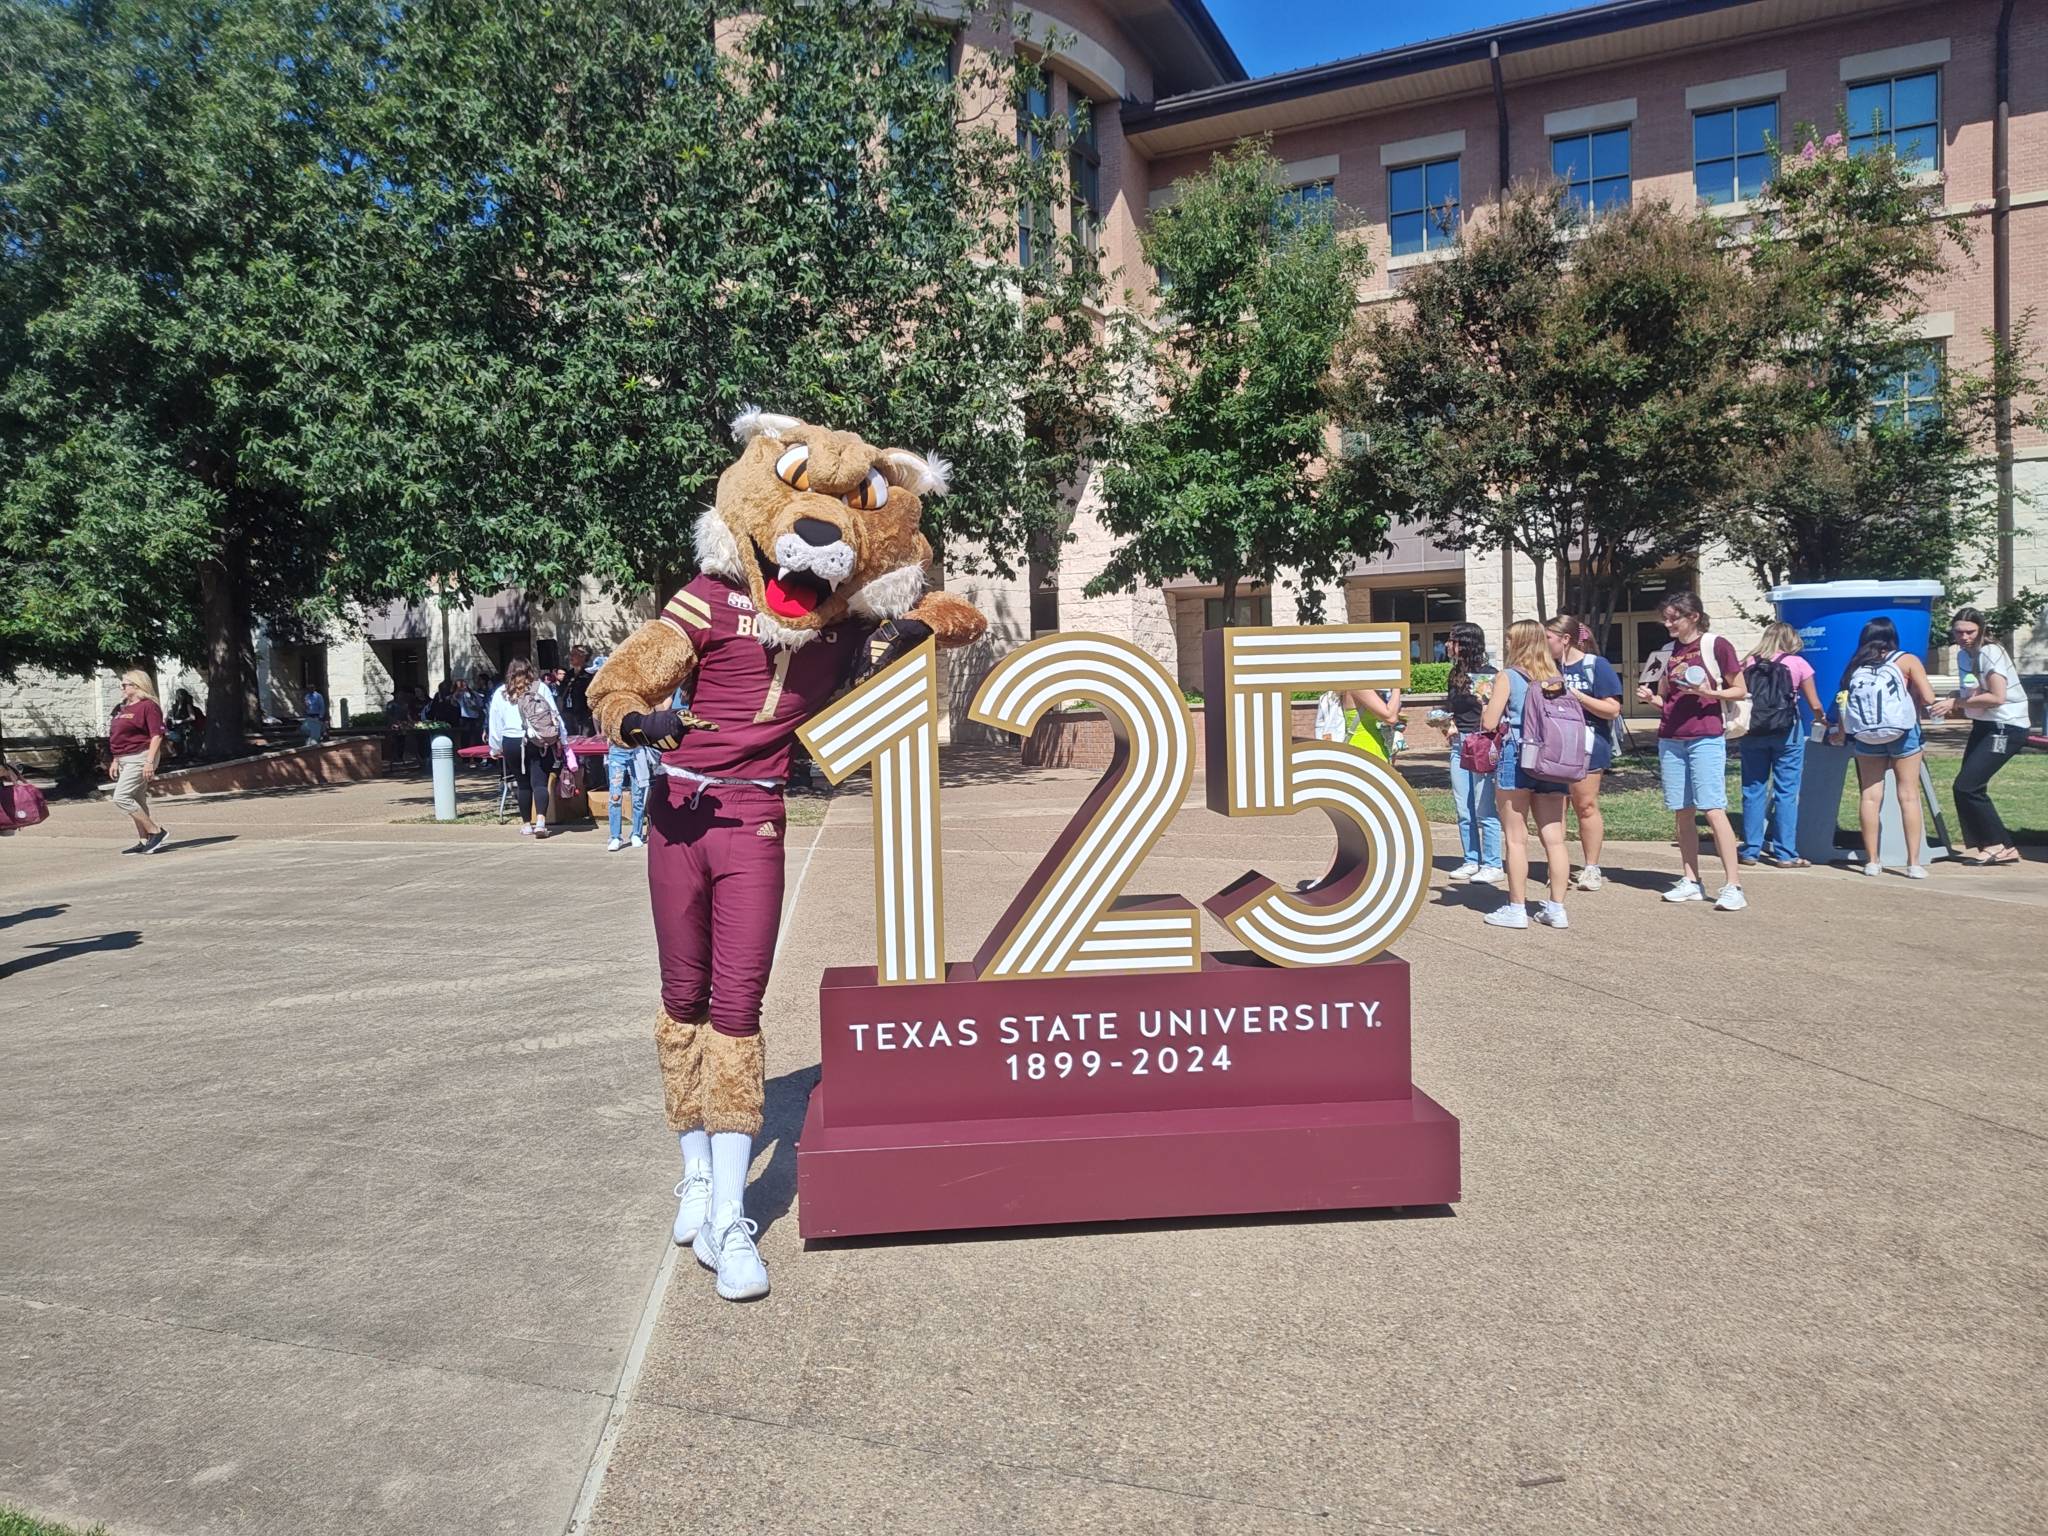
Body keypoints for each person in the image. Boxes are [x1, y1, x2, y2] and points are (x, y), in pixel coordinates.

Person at [1639, 591, 1748, 911]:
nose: (1668, 623)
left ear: (1694, 617)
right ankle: (1691, 879)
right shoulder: (1668, 652)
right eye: (1666, 617)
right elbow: (1666, 700)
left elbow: (1740, 689)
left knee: (1712, 807)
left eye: (1674, 617)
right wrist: (1650, 699)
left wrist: (1709, 692)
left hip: (1705, 735)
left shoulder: (1716, 645)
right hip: (1671, 737)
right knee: (1682, 810)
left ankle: (1733, 885)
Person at [1478, 620, 1573, 930]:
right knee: (1554, 839)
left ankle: (1516, 908)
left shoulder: (1508, 676)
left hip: (1517, 755)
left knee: (1516, 839)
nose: (1506, 645)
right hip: (1552, 759)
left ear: (1518, 642)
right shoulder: (1555, 677)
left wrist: (1485, 701)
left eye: (1509, 640)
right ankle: (1556, 908)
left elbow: (1490, 723)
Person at [1829, 616, 1938, 878]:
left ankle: (1872, 861)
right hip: (1903, 733)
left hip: (1867, 737)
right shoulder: (1906, 660)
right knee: (1908, 795)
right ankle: (1913, 863)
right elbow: (1929, 697)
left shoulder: (1856, 665)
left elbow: (1844, 702)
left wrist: (1841, 733)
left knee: (1869, 796)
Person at [1933, 607, 2033, 867]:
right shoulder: (1965, 656)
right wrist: (1956, 699)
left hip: (2006, 726)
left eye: (1970, 632)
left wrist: (1956, 703)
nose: (1964, 637)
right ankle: (1997, 845)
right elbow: (1974, 691)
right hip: (1984, 724)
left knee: (1967, 786)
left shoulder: (1991, 652)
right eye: (1959, 632)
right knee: (1966, 787)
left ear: (1981, 630)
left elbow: (1997, 697)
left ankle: (1997, 845)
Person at [1737, 621, 1824, 869]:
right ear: (1790, 640)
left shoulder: (1748, 663)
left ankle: (1751, 850)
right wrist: (1822, 721)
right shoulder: (1798, 664)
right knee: (1786, 791)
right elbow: (1815, 704)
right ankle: (1785, 853)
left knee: (1753, 789)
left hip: (1753, 730)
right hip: (1787, 731)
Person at [1545, 616, 1623, 891]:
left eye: (1549, 639)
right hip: (1555, 744)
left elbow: (1612, 709)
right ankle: (1560, 866)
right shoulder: (1547, 667)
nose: (1545, 644)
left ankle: (1591, 867)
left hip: (1589, 742)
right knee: (1557, 804)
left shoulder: (1595, 665)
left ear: (1565, 639)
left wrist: (1576, 695)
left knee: (1585, 805)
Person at [1439, 622, 1503, 885]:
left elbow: (1493, 715)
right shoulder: (1455, 674)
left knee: (1483, 805)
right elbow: (1451, 707)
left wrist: (1483, 703)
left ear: (1466, 643)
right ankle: (1471, 859)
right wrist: (1445, 722)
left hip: (1481, 742)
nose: (1448, 645)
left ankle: (1492, 863)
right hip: (1459, 743)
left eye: (1452, 640)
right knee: (1463, 807)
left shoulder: (1489, 675)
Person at [489, 658, 567, 839]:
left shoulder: (501, 692)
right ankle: (540, 822)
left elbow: (495, 723)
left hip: (511, 741)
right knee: (539, 782)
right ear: (530, 671)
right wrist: (562, 739)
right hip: (536, 740)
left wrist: (495, 747)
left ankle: (526, 824)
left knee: (522, 784)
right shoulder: (540, 688)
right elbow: (554, 715)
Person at [107, 670, 169, 854]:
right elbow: (119, 735)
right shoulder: (123, 707)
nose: (122, 688)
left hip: (140, 756)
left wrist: (149, 762)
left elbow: (156, 735)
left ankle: (156, 831)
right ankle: (144, 840)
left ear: (137, 685)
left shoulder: (148, 706)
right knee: (137, 799)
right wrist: (116, 760)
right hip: (124, 758)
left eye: (125, 684)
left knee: (121, 797)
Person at [606, 738, 653, 852]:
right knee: (615, 797)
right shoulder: (610, 718)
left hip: (636, 752)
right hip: (617, 751)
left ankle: (636, 833)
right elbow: (605, 729)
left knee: (638, 797)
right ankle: (615, 836)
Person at [560, 645, 596, 735]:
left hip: (585, 717)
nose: (571, 656)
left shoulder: (590, 674)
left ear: (583, 656)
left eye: (574, 654)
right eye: (570, 654)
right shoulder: (568, 674)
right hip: (568, 715)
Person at [166, 688, 206, 760]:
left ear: (184, 696)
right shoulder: (174, 706)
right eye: (177, 694)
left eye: (180, 695)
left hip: (186, 728)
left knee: (178, 739)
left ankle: (181, 754)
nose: (178, 696)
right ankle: (174, 753)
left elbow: (192, 717)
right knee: (167, 737)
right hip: (176, 728)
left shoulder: (187, 705)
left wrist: (181, 721)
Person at [456, 675, 486, 749]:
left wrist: (476, 707)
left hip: (475, 718)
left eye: (464, 683)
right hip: (465, 718)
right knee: (465, 738)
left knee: (477, 738)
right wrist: (459, 689)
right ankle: (465, 759)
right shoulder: (460, 694)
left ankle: (478, 758)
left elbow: (480, 704)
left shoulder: (474, 693)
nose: (464, 685)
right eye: (462, 684)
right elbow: (455, 697)